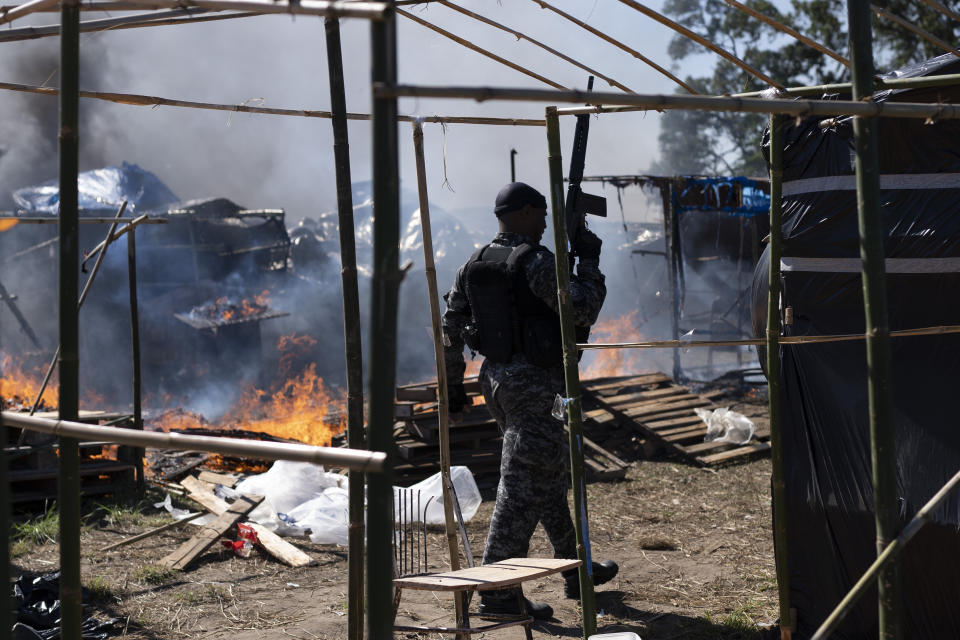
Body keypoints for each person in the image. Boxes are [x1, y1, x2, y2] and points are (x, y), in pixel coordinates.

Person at [441, 182, 619, 620]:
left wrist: (453, 385)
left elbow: (451, 324)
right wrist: (590, 261)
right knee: (520, 489)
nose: (544, 222)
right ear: (521, 213)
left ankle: (577, 569)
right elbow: (582, 309)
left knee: (547, 476)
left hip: (499, 383)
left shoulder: (475, 262)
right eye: (540, 214)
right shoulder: (536, 262)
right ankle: (498, 592)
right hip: (535, 385)